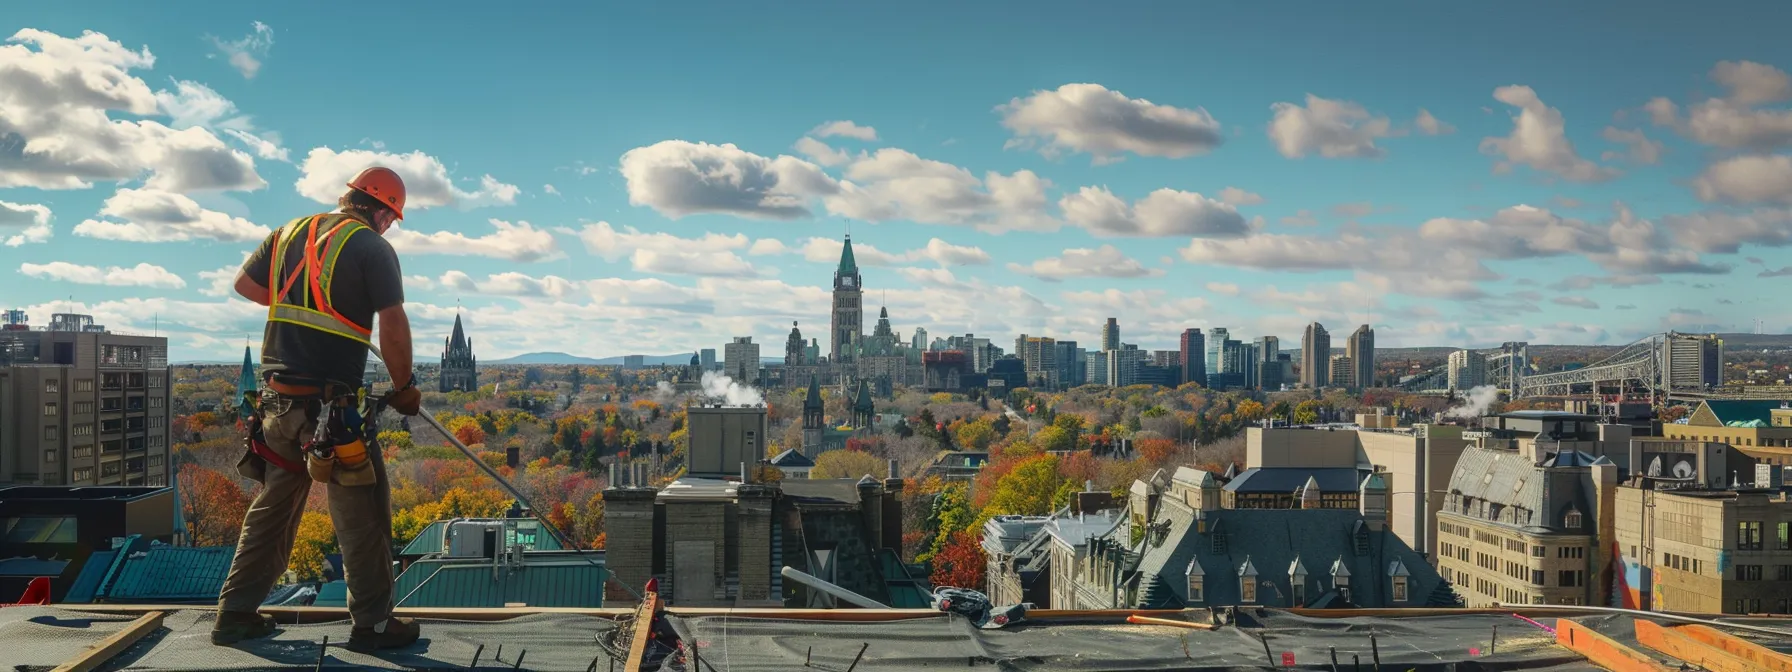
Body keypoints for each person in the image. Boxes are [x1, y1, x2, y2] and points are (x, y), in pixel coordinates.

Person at [212, 167, 424, 651]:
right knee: (363, 514)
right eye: (392, 217)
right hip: (330, 411)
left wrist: (307, 302)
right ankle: (372, 625)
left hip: (277, 405)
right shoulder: (372, 247)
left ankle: (235, 614)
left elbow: (246, 287)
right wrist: (404, 386)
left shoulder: (288, 233)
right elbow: (392, 323)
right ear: (381, 210)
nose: (390, 226)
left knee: (273, 510)